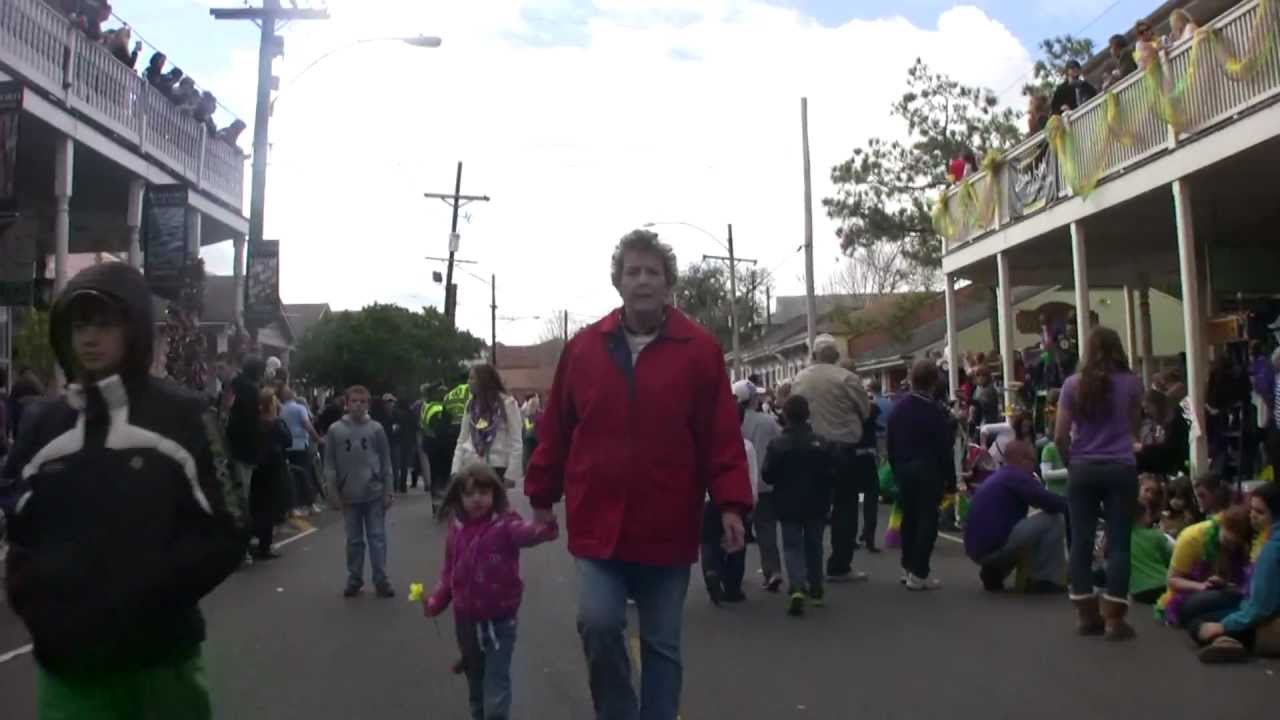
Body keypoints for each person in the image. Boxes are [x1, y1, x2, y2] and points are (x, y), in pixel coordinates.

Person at [524, 229, 752, 720]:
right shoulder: (584, 349)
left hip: (667, 524)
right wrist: (541, 493)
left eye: (653, 272)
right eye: (634, 271)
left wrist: (732, 504)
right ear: (618, 282)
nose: (643, 280)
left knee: (661, 645)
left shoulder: (700, 350)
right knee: (599, 625)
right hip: (597, 523)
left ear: (668, 284)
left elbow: (721, 435)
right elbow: (556, 429)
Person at [0, 263, 245, 718]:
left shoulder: (185, 415)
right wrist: (38, 602)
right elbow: (20, 524)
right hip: (68, 665)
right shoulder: (43, 424)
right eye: (79, 325)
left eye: (104, 323)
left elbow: (228, 527)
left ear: (134, 328)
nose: (89, 338)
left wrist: (147, 594)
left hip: (160, 662)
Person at [424, 461, 558, 719]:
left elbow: (527, 533)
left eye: (484, 492)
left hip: (500, 622)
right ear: (459, 497)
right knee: (476, 687)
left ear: (495, 494)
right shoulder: (456, 531)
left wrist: (544, 528)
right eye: (470, 493)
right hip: (466, 623)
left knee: (495, 688)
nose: (477, 499)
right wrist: (435, 602)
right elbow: (448, 574)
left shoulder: (505, 525)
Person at [1054, 325, 1143, 640]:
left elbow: (1060, 435)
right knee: (1119, 543)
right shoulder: (1132, 384)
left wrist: (1072, 461)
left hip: (1083, 467)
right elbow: (1133, 428)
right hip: (1120, 467)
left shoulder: (1071, 385)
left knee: (1081, 540)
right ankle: (1115, 619)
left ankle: (1085, 613)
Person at [791, 333, 871, 582]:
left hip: (811, 448)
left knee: (812, 508)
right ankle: (839, 564)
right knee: (845, 508)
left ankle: (808, 564)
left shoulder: (800, 379)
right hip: (843, 448)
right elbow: (865, 411)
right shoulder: (847, 378)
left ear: (813, 354)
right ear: (837, 356)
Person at [887, 359, 955, 591]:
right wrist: (951, 480)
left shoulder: (899, 408)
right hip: (929, 470)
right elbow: (944, 448)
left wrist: (896, 470)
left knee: (909, 517)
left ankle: (907, 567)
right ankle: (919, 571)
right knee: (927, 519)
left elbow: (891, 443)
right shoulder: (935, 413)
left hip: (904, 469)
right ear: (934, 382)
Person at [964, 440, 1068, 593]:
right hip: (995, 546)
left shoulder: (999, 476)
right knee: (1052, 520)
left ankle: (995, 572)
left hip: (977, 548)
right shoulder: (1016, 476)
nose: (1035, 465)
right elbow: (1048, 501)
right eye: (1033, 460)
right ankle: (1043, 579)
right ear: (1022, 459)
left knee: (1022, 531)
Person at [1192, 483, 1280, 662]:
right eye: (1252, 510)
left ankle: (1231, 642)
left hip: (1268, 625)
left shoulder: (1273, 548)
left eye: (1260, 512)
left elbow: (1262, 607)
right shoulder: (1266, 538)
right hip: (1259, 613)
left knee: (1196, 624)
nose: (1253, 516)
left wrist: (1224, 626)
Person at [763, 394, 834, 616]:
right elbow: (833, 471)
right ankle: (816, 588)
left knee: (792, 546)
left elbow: (768, 475)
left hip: (787, 503)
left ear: (785, 415)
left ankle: (796, 586)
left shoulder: (777, 444)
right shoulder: (822, 443)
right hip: (816, 502)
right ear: (808, 415)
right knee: (814, 545)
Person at [324, 385, 396, 599]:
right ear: (346, 403)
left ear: (368, 404)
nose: (358, 405)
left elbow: (386, 462)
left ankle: (381, 579)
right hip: (349, 494)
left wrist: (388, 490)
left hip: (373, 491)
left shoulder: (376, 429)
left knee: (377, 537)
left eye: (362, 401)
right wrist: (332, 490)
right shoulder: (335, 430)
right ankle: (354, 578)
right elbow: (329, 464)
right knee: (354, 540)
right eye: (354, 401)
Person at [1157, 504, 1252, 628]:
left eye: (1235, 545)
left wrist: (1222, 582)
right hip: (1184, 595)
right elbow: (1172, 580)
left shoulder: (1242, 546)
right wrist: (1201, 586)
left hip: (1218, 593)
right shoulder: (1192, 538)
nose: (1231, 547)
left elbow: (1236, 579)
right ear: (1222, 523)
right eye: (1228, 542)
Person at [736, 379, 783, 591]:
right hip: (765, 485)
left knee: (737, 531)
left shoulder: (730, 421)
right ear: (753, 399)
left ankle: (733, 574)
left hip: (739, 486)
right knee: (766, 530)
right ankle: (772, 571)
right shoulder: (768, 422)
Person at [451, 364, 523, 489]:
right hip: (471, 465)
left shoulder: (507, 404)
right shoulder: (471, 406)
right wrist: (455, 470)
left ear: (484, 380)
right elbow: (462, 439)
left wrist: (511, 474)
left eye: (472, 378)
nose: (468, 382)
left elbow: (516, 441)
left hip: (497, 467)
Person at [250, 388, 291, 560]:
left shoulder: (254, 422)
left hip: (257, 467)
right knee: (270, 506)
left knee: (257, 505)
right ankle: (264, 546)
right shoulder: (276, 422)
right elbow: (288, 440)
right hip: (274, 467)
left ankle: (256, 541)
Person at [1128, 475, 1175, 604]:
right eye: (1147, 490)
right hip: (1162, 585)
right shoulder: (1156, 536)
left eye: (1153, 492)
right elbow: (1171, 559)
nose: (1150, 496)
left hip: (1137, 591)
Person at [280, 387, 323, 515]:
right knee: (306, 474)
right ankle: (309, 504)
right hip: (300, 444)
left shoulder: (281, 409)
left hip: (287, 446)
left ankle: (294, 506)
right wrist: (317, 438)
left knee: (292, 476)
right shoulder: (300, 408)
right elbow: (306, 424)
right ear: (293, 395)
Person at [1136, 389, 1189, 476]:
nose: (1146, 411)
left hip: (1180, 465)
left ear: (1157, 405)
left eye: (1147, 407)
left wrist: (1143, 448)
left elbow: (1170, 450)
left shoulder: (1177, 421)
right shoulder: (1161, 423)